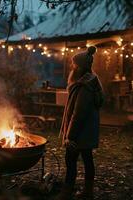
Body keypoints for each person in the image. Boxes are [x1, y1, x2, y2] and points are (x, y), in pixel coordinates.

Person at [58, 46, 104, 200]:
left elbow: (78, 114)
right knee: (87, 159)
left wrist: (70, 136)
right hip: (87, 131)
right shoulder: (90, 82)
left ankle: (67, 191)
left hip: (79, 132)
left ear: (80, 67)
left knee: (70, 160)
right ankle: (88, 191)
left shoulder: (85, 87)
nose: (72, 67)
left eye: (75, 65)